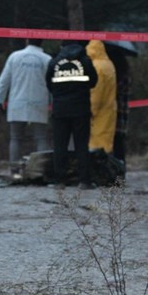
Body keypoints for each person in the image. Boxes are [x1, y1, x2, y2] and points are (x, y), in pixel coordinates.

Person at [0, 39, 52, 179]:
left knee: (15, 138)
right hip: (39, 103)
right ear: (42, 42)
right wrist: (54, 102)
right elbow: (52, 84)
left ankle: (15, 171)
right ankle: (41, 170)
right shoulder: (47, 59)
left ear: (27, 41)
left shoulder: (14, 57)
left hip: (17, 102)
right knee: (41, 138)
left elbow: (4, 80)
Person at [45, 40, 97, 190]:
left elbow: (49, 83)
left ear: (62, 46)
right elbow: (93, 82)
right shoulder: (86, 62)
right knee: (81, 146)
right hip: (81, 109)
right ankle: (84, 181)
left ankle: (60, 181)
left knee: (60, 146)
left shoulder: (54, 62)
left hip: (60, 110)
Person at [105, 42, 135, 168]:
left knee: (112, 146)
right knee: (119, 145)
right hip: (122, 115)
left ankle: (113, 172)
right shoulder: (125, 73)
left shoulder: (111, 73)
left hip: (111, 114)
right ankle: (119, 174)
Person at [86, 40, 117, 154]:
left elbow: (96, 93)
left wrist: (90, 111)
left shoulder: (96, 67)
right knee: (106, 143)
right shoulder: (109, 64)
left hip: (98, 112)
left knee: (96, 146)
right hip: (109, 109)